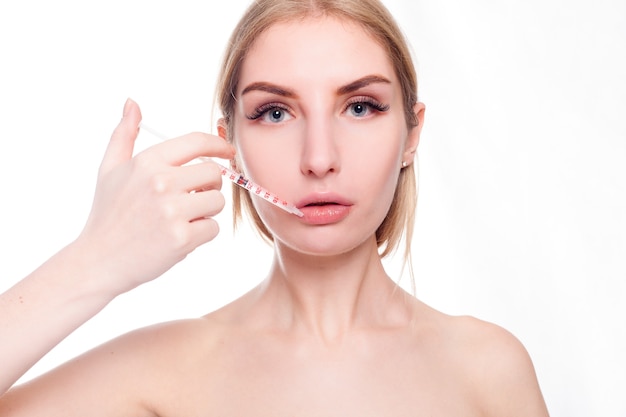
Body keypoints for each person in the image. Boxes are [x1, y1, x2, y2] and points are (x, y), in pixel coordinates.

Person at [0, 0, 549, 415]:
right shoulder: (161, 371)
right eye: (275, 114)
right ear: (229, 144)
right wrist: (95, 260)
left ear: (412, 133)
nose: (319, 158)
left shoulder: (488, 369)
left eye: (360, 106)